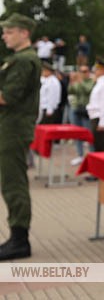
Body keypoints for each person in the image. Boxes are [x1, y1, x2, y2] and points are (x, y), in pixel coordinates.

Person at [0, 14, 41, 260]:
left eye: (9, 31)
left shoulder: (24, 60)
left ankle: (20, 240)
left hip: (14, 128)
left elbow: (8, 97)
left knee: (14, 184)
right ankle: (16, 237)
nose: (4, 36)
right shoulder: (18, 59)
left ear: (24, 33)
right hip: (10, 126)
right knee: (10, 182)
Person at [68, 66, 95, 165]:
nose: (83, 73)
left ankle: (92, 155)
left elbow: (88, 90)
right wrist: (72, 81)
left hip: (87, 111)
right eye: (81, 71)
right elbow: (72, 91)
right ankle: (80, 155)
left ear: (88, 72)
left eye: (85, 71)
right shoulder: (79, 82)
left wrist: (80, 81)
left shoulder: (91, 81)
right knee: (77, 134)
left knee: (89, 135)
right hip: (78, 109)